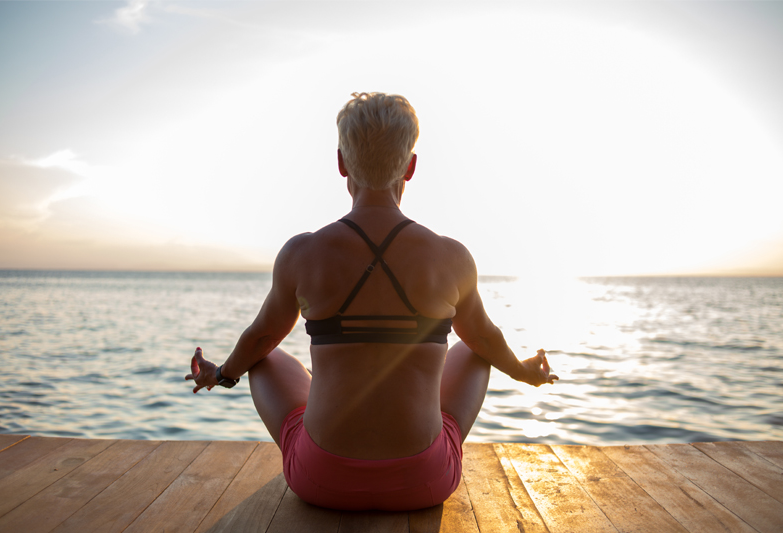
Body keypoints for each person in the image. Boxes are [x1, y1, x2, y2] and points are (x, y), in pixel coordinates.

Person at [185, 92, 558, 511]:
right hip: (424, 482)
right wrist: (524, 372)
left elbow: (260, 338)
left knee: (264, 354)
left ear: (342, 162)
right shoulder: (452, 257)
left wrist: (222, 374)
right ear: (410, 166)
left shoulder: (302, 253)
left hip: (321, 480)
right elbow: (487, 339)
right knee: (476, 349)